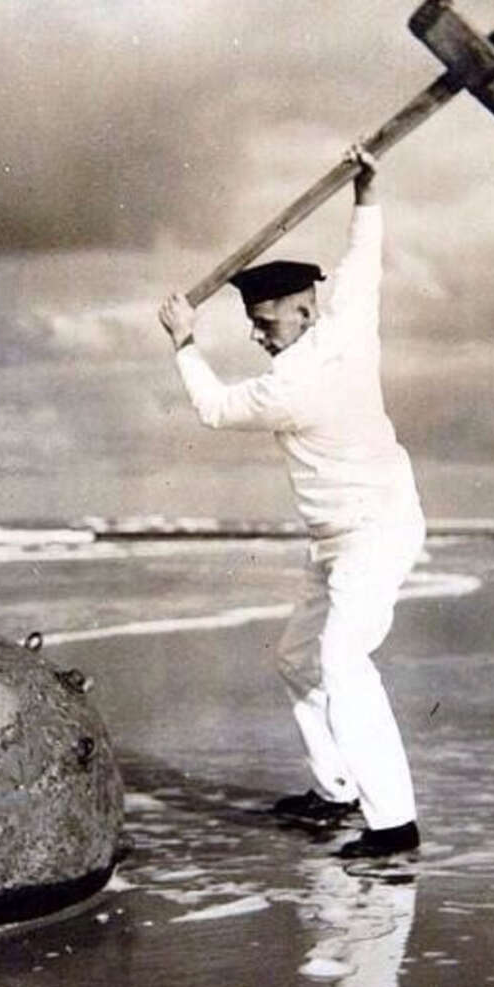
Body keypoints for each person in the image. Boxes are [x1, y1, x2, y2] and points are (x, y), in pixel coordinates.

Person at [158, 145, 425, 859]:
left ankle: (393, 825)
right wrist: (367, 191)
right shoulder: (348, 325)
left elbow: (214, 408)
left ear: (303, 312)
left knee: (341, 661)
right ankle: (335, 791)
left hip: (375, 532)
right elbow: (362, 262)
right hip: (337, 538)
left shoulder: (289, 387)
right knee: (295, 659)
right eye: (251, 320)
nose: (254, 332)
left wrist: (185, 342)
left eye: (265, 320)